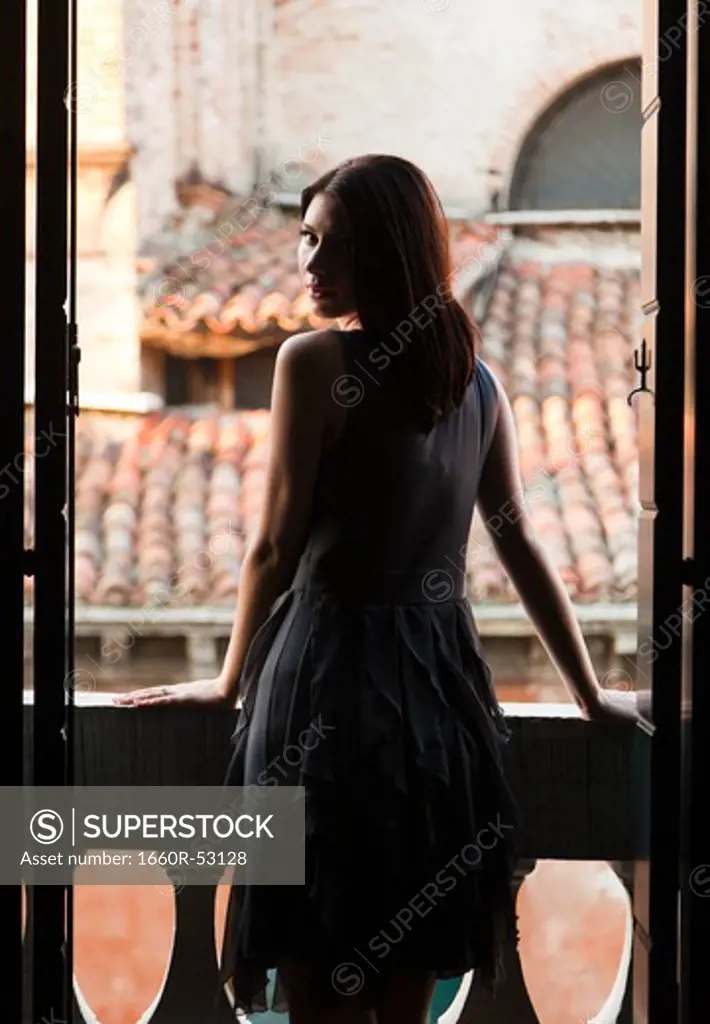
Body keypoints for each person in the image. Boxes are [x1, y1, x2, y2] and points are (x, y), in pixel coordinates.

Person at [114, 153, 640, 1023]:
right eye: (307, 239)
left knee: (317, 977)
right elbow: (517, 539)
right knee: (406, 980)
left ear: (393, 256)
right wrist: (588, 691)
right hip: (438, 702)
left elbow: (276, 541)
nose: (313, 266)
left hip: (326, 681)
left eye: (341, 248)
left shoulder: (313, 362)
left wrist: (225, 678)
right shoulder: (477, 380)